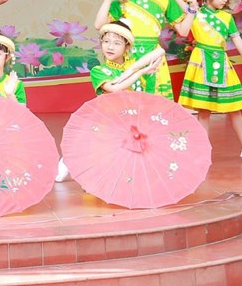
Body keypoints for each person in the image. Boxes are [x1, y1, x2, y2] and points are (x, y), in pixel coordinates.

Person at [56, 19, 164, 183]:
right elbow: (115, 89)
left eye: (116, 43)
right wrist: (139, 73)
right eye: (106, 41)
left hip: (131, 118)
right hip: (108, 119)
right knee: (94, 152)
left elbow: (159, 52)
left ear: (127, 47)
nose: (110, 47)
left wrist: (132, 70)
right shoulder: (99, 70)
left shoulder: (132, 65)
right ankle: (67, 162)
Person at [93, 0, 197, 100]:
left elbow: (183, 31)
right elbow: (99, 25)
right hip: (128, 56)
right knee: (130, 103)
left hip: (153, 56)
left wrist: (192, 8)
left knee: (154, 103)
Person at [179, 0, 242, 162]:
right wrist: (190, 2)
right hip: (202, 62)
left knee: (234, 108)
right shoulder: (195, 12)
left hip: (223, 65)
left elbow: (238, 41)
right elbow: (176, 6)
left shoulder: (227, 17)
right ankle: (203, 152)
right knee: (204, 111)